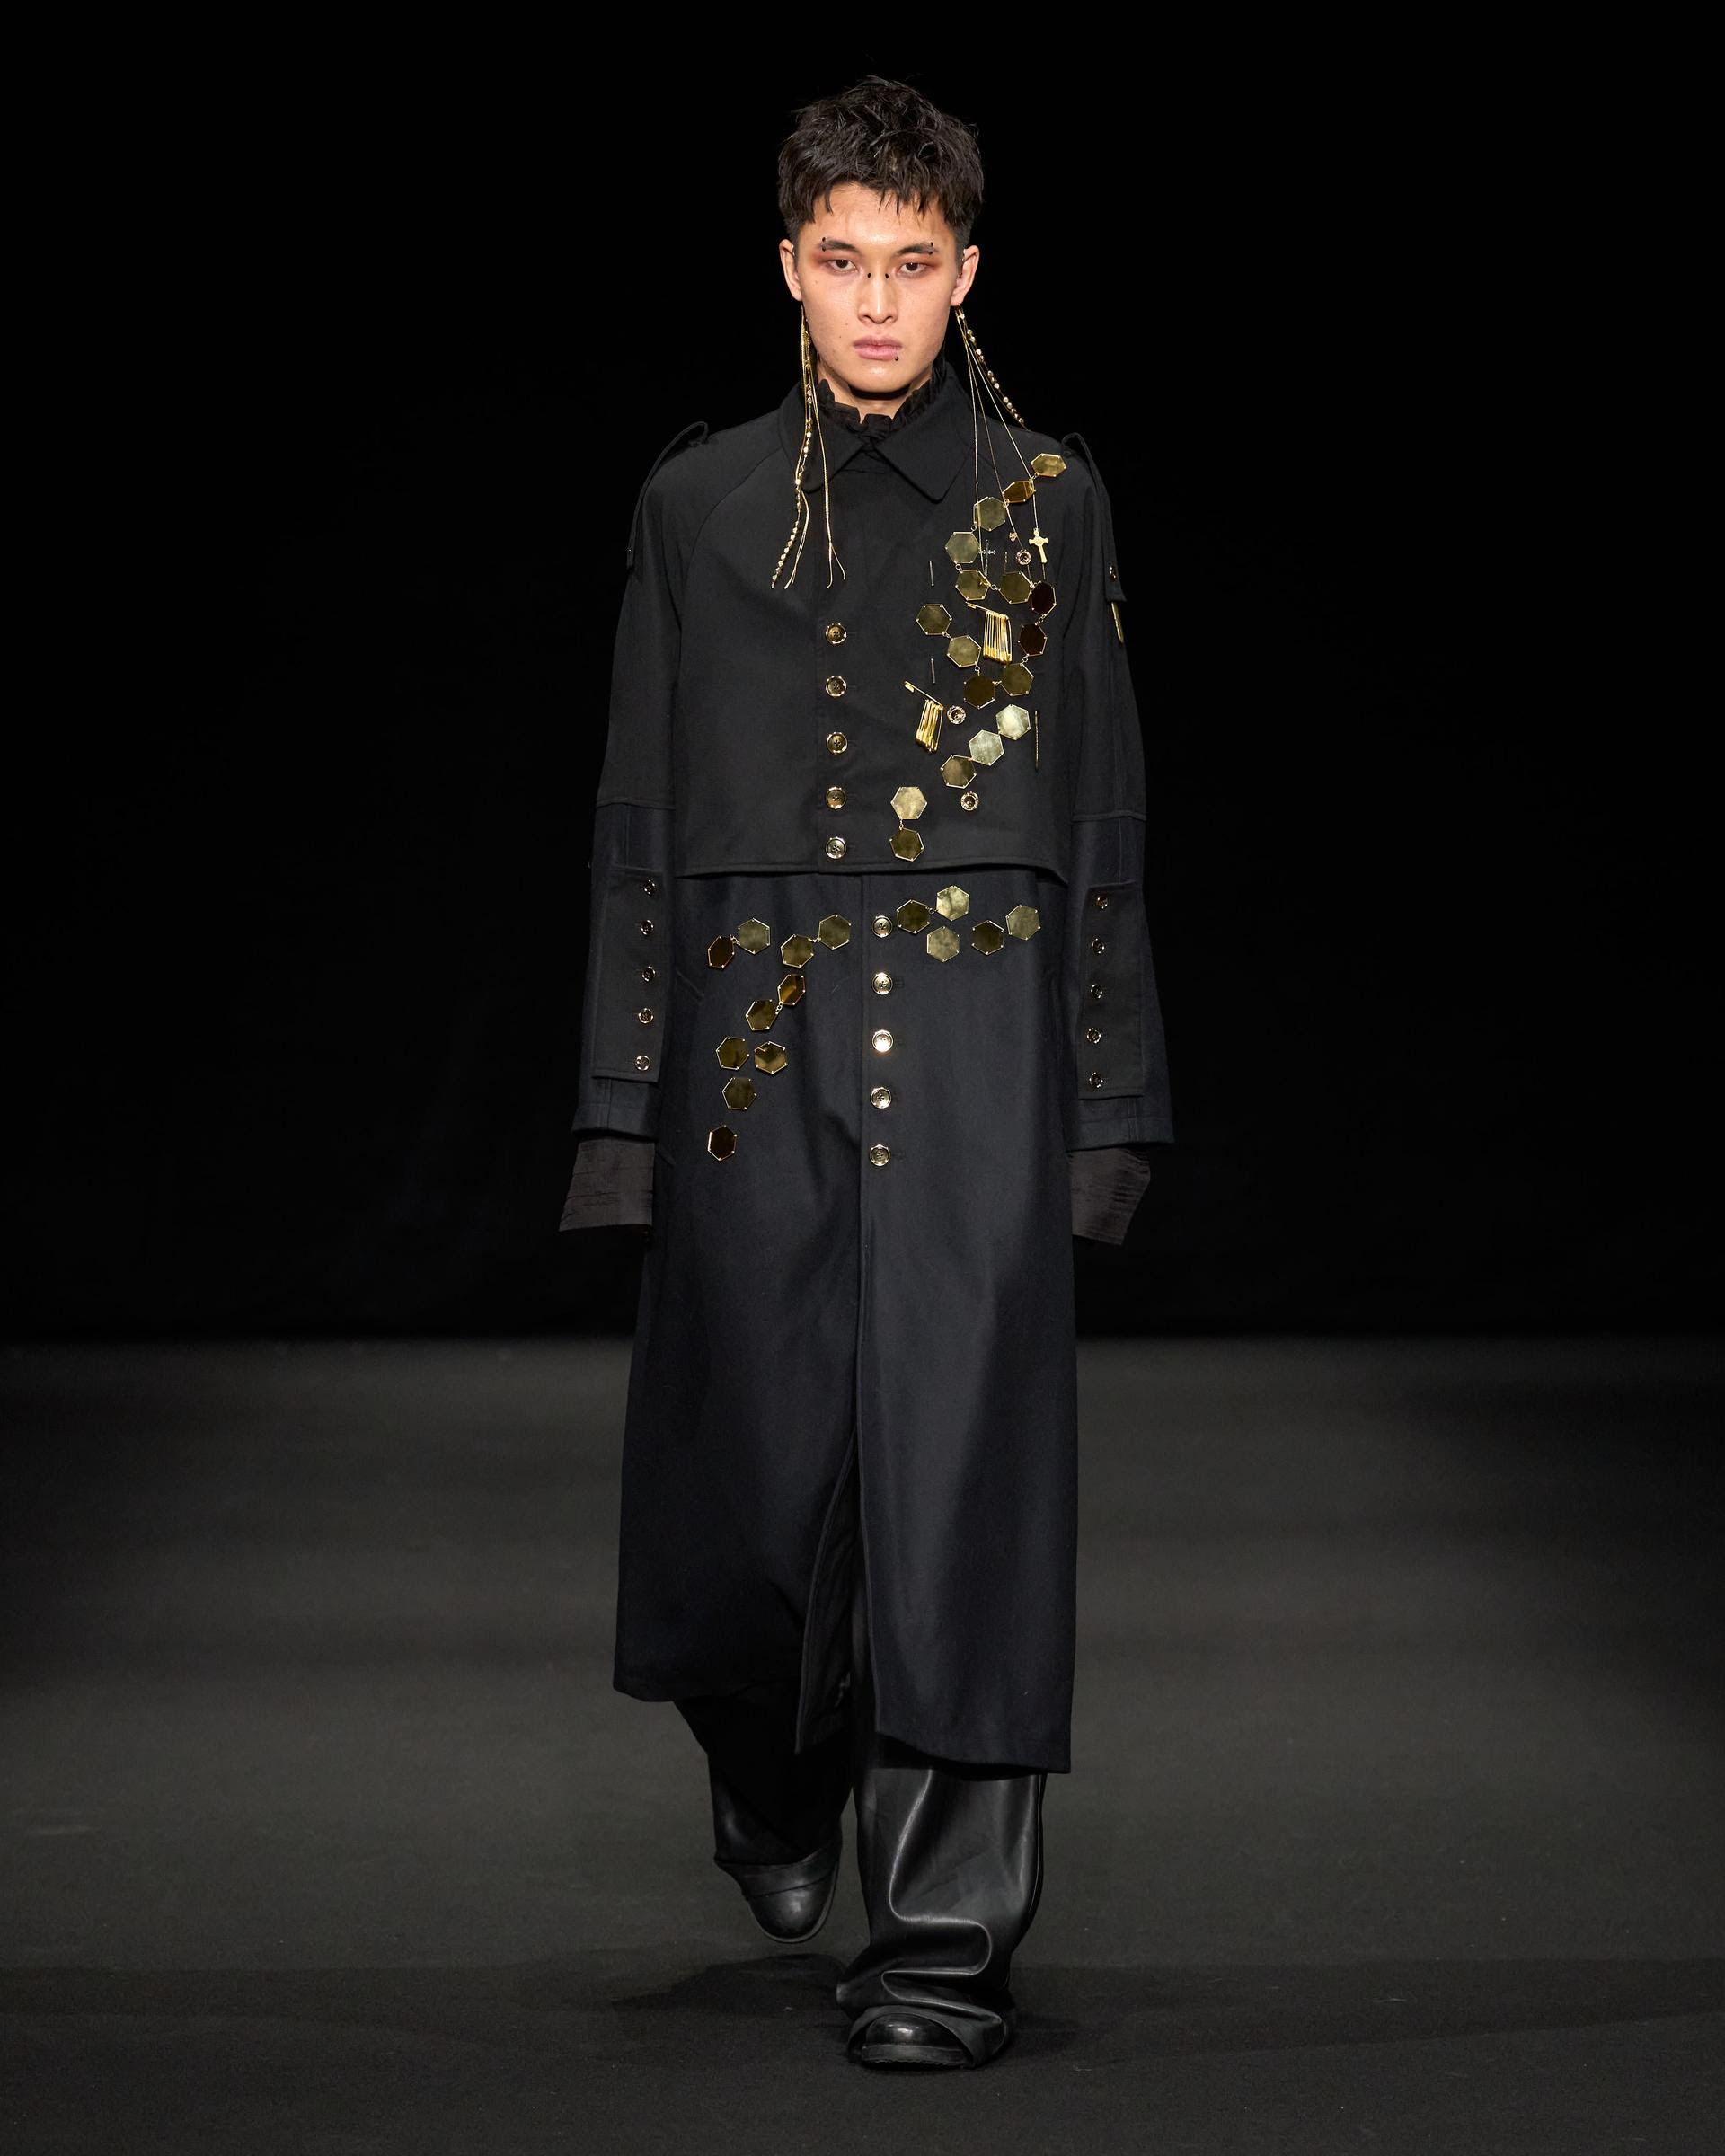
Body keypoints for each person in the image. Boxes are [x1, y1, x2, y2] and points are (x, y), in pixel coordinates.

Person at [560, 75, 1172, 2069]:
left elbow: (1101, 814)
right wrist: (621, 1110)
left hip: (982, 1036)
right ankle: (769, 1760)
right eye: (845, 262)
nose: (881, 302)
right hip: (751, 1046)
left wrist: (1105, 1107)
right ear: (789, 270)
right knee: (741, 1488)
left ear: (968, 270)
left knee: (965, 1487)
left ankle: (938, 1949)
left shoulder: (1044, 501)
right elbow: (639, 819)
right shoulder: (698, 507)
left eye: (916, 263)